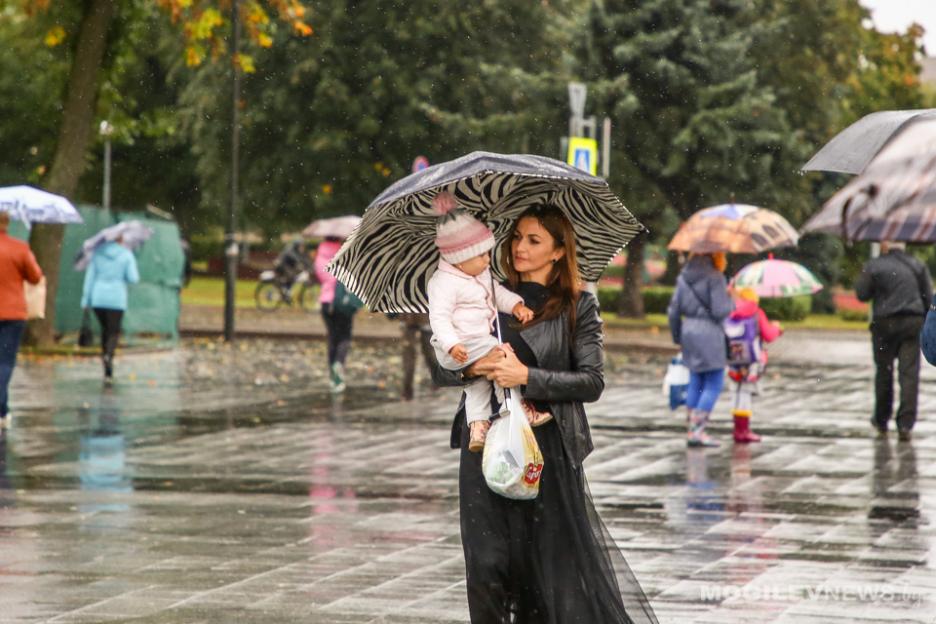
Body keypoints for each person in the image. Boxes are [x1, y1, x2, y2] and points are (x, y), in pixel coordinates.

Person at [434, 204, 658, 623]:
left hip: (545, 451)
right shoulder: (483, 291)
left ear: (558, 250)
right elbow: (441, 366)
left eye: (534, 240)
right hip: (482, 446)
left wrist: (526, 376)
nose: (519, 247)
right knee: (486, 565)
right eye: (517, 236)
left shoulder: (577, 306)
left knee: (545, 572)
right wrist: (472, 365)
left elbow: (591, 381)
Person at [427, 192, 534, 452]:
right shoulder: (443, 283)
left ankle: (477, 425)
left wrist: (516, 304)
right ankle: (514, 408)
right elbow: (439, 318)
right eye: (482, 256)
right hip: (456, 346)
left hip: (473, 345)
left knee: (478, 381)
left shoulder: (480, 274)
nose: (488, 261)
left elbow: (499, 294)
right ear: (459, 258)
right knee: (502, 354)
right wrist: (452, 344)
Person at [855, 241, 932, 442]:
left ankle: (881, 419)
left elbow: (862, 294)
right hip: (912, 323)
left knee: (884, 371)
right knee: (909, 372)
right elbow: (928, 297)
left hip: (884, 323)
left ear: (885, 244)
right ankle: (905, 423)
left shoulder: (874, 265)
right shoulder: (917, 265)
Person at [667, 252, 733, 447]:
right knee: (714, 382)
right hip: (710, 333)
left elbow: (673, 311)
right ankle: (697, 432)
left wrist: (677, 335)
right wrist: (731, 299)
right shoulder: (715, 277)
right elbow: (721, 311)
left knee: (696, 380)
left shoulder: (683, 277)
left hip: (689, 331)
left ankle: (692, 429)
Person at [0, 212, 43, 430]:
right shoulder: (19, 248)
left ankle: (3, 410)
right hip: (12, 313)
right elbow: (35, 276)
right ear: (7, 223)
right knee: (5, 362)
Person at [725, 287, 782, 443]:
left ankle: (738, 429)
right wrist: (777, 328)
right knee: (746, 394)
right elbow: (769, 335)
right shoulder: (756, 313)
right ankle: (743, 431)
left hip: (733, 357)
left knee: (737, 393)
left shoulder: (730, 310)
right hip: (750, 360)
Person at [80, 235, 140, 382]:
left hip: (98, 298)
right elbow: (133, 278)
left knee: (105, 330)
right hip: (117, 299)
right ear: (121, 240)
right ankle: (109, 355)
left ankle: (105, 356)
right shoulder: (126, 255)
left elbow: (90, 278)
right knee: (113, 331)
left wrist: (85, 300)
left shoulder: (97, 254)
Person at [314, 236, 358, 393]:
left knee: (332, 337)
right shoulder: (344, 252)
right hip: (342, 302)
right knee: (345, 336)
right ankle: (339, 363)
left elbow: (322, 278)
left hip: (326, 302)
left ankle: (333, 378)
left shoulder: (320, 255)